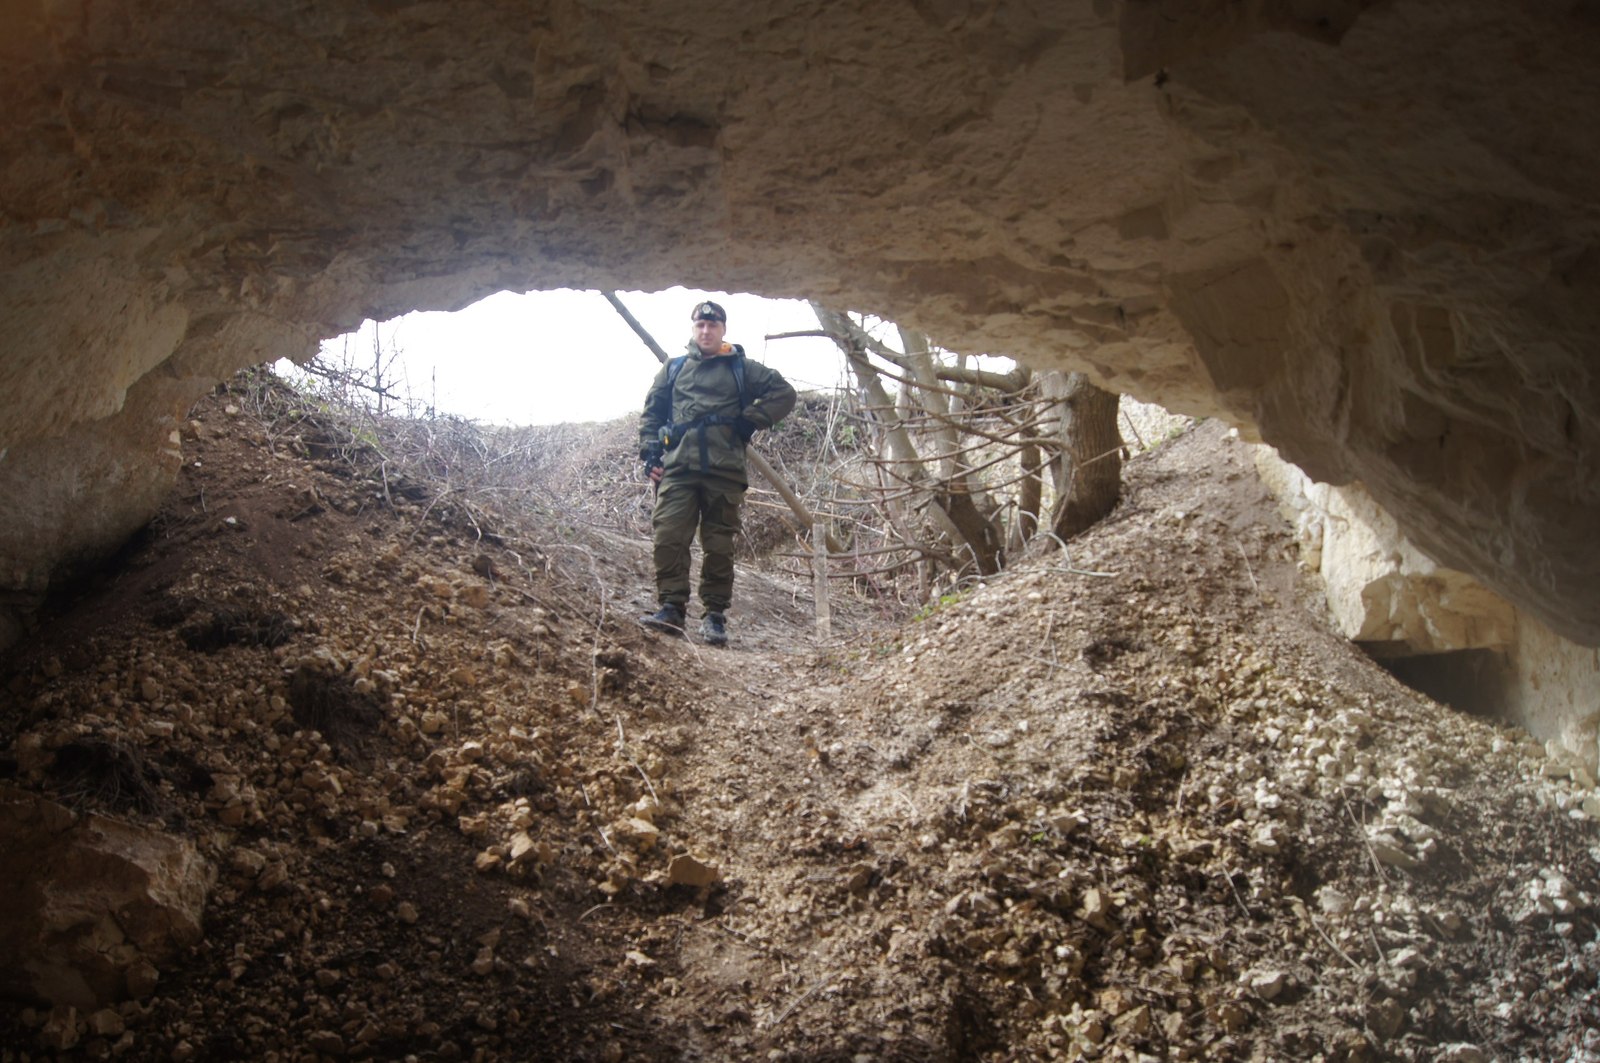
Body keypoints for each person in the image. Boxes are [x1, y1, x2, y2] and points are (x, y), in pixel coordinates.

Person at [638, 300, 796, 645]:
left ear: (723, 328)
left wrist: (749, 420)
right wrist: (650, 453)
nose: (706, 331)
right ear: (693, 329)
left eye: (713, 325)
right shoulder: (674, 369)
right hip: (678, 469)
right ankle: (671, 608)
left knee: (719, 546)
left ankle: (715, 616)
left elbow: (784, 393)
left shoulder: (742, 368)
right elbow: (651, 415)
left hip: (724, 472)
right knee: (668, 537)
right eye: (700, 325)